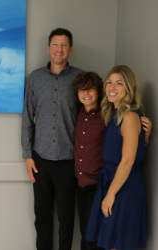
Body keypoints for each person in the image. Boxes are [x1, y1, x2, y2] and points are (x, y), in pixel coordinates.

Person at [72, 72, 152, 250]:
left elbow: (128, 161)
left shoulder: (130, 116)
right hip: (111, 182)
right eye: (109, 82)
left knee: (117, 243)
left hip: (123, 186)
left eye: (119, 83)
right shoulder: (113, 114)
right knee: (107, 242)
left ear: (129, 88)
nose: (112, 87)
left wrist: (110, 195)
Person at [21, 28, 82, 250]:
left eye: (64, 45)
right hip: (40, 158)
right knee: (42, 216)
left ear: (71, 49)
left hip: (69, 159)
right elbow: (27, 117)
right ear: (48, 48)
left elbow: (96, 112)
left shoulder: (80, 78)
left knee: (66, 218)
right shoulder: (35, 78)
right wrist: (27, 155)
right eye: (55, 44)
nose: (59, 49)